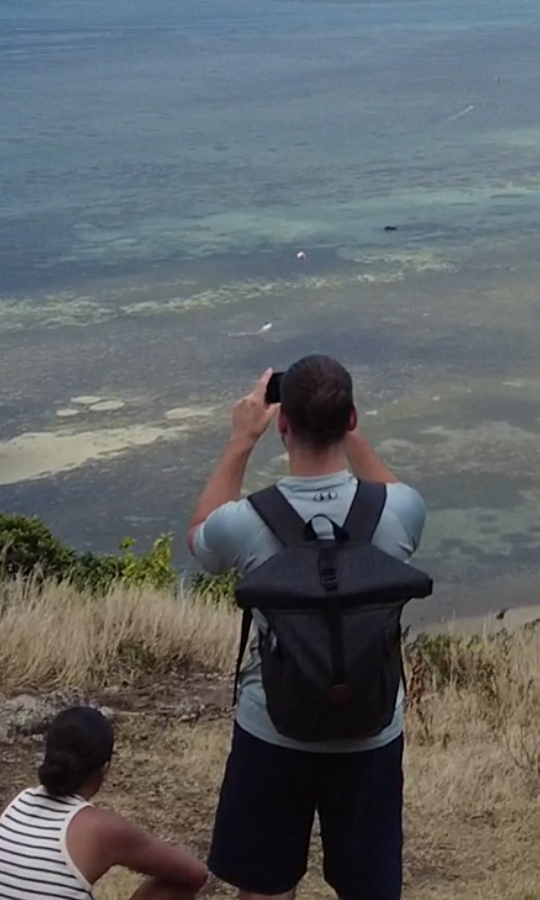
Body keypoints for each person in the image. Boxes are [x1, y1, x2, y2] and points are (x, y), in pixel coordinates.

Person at [188, 355, 427, 900]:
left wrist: (241, 440)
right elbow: (394, 490)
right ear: (351, 420)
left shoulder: (245, 522)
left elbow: (200, 537)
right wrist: (347, 426)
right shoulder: (399, 512)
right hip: (371, 730)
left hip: (272, 725)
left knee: (266, 887)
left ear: (283, 425)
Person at [0, 705, 210, 900]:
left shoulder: (18, 804)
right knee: (177, 887)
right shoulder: (99, 828)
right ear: (104, 769)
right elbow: (195, 874)